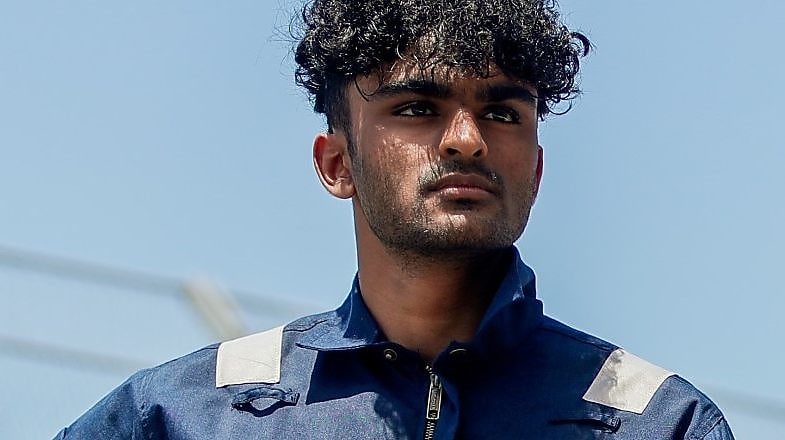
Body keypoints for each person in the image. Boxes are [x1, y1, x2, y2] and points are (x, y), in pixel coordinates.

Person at [56, 0, 734, 439]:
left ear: (535, 170)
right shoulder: (189, 413)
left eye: (502, 113)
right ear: (336, 164)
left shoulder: (656, 421)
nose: (466, 140)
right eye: (416, 109)